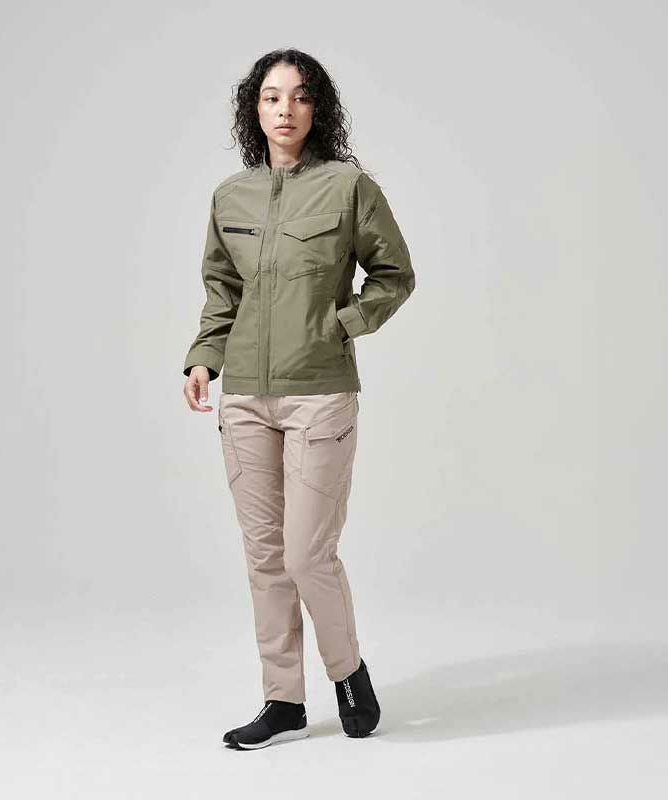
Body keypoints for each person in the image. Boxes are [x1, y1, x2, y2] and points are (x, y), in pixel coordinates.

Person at [182, 48, 415, 750]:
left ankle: (349, 674)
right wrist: (204, 357)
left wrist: (342, 325)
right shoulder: (231, 196)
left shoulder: (348, 188)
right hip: (245, 399)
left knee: (307, 555)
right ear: (253, 109)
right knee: (264, 556)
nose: (286, 109)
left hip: (320, 395)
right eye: (272, 97)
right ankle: (282, 699)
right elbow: (222, 289)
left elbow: (394, 274)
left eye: (301, 96)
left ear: (319, 109)